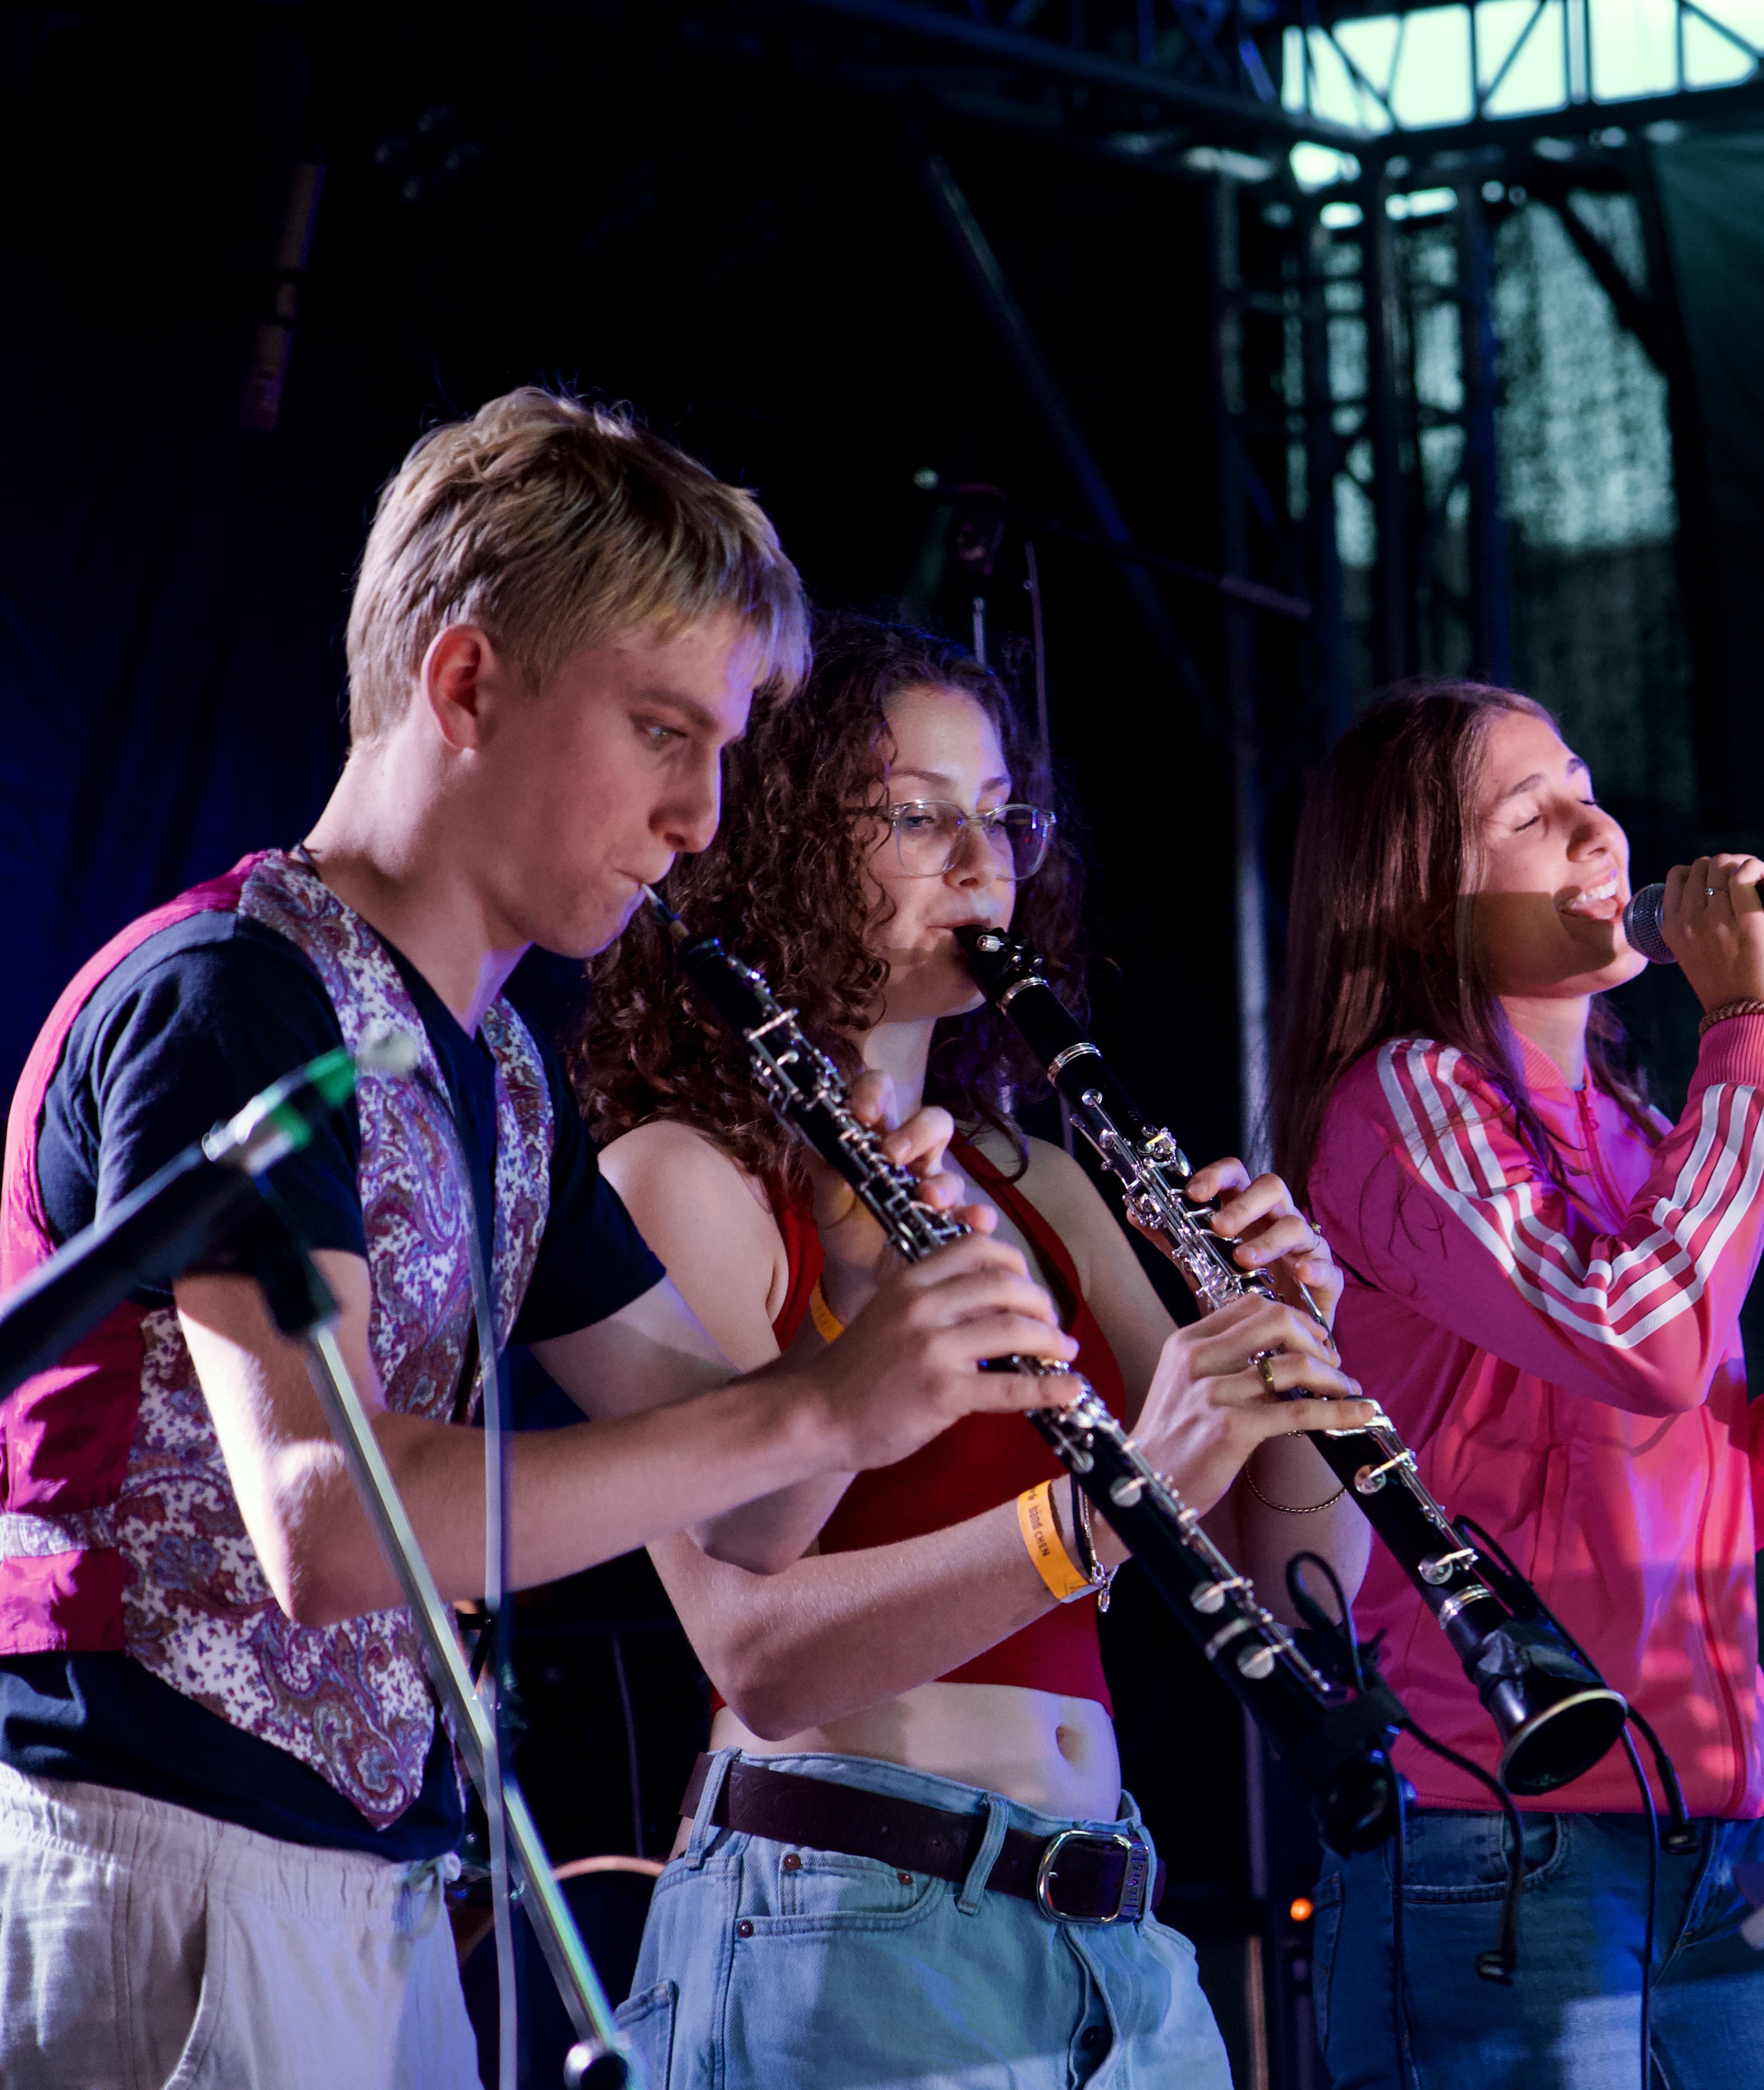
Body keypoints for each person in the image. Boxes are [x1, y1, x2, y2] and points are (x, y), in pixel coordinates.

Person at [0, 393, 1078, 2088]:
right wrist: (812, 1405)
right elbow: (333, 1528)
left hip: (373, 1877)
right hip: (164, 1858)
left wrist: (858, 1319)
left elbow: (757, 1521)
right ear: (470, 683)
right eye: (664, 732)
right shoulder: (233, 1000)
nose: (706, 818)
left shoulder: (502, 1075)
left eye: (722, 750)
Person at [576, 613, 1380, 2086]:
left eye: (1004, 816)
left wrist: (1299, 1366)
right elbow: (755, 1652)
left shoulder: (1046, 1181)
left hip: (1116, 1937)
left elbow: (1289, 1582)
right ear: (780, 845)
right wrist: (1110, 1505)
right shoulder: (685, 1176)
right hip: (845, 1924)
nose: (983, 861)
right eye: (920, 817)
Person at [1270, 680, 1764, 2090]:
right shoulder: (1405, 1097)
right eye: (1531, 813)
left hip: (1729, 1825)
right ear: (1423, 891)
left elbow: (1632, 1490)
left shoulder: (1635, 1125)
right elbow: (1644, 1341)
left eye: (1586, 786)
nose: (1597, 827)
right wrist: (1751, 1021)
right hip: (1507, 1832)